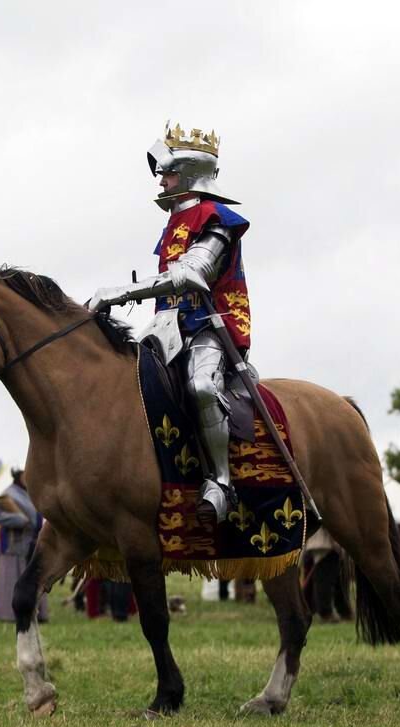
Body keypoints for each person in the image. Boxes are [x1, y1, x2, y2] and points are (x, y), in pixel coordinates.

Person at [90, 123, 251, 525]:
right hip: (168, 328)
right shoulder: (175, 223)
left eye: (168, 173)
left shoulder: (218, 218)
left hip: (210, 325)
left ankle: (220, 482)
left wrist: (116, 294)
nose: (162, 180)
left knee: (200, 387)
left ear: (191, 173)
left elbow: (189, 275)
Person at [0, 468, 46, 622]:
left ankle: (37, 612)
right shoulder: (7, 494)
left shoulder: (32, 492)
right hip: (14, 544)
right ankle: (9, 613)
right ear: (17, 476)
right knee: (13, 578)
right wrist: (19, 520)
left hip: (33, 542)